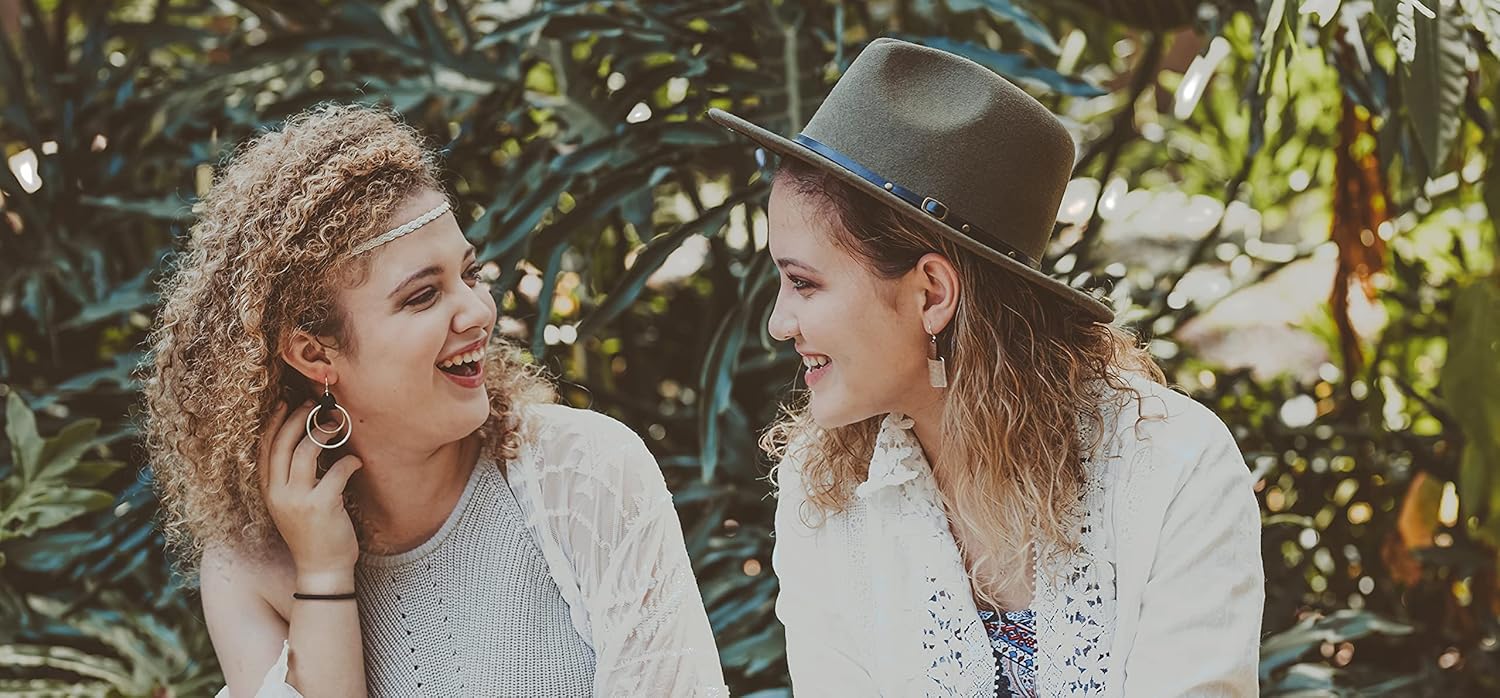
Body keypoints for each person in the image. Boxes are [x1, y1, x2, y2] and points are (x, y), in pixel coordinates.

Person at [709, 38, 1263, 696]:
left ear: (932, 294)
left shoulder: (1171, 466)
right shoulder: (823, 486)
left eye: (804, 283)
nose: (778, 324)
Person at [142, 104, 726, 697]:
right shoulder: (251, 566)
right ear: (315, 354)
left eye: (469, 275)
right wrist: (322, 573)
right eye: (423, 297)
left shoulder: (583, 473)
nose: (477, 311)